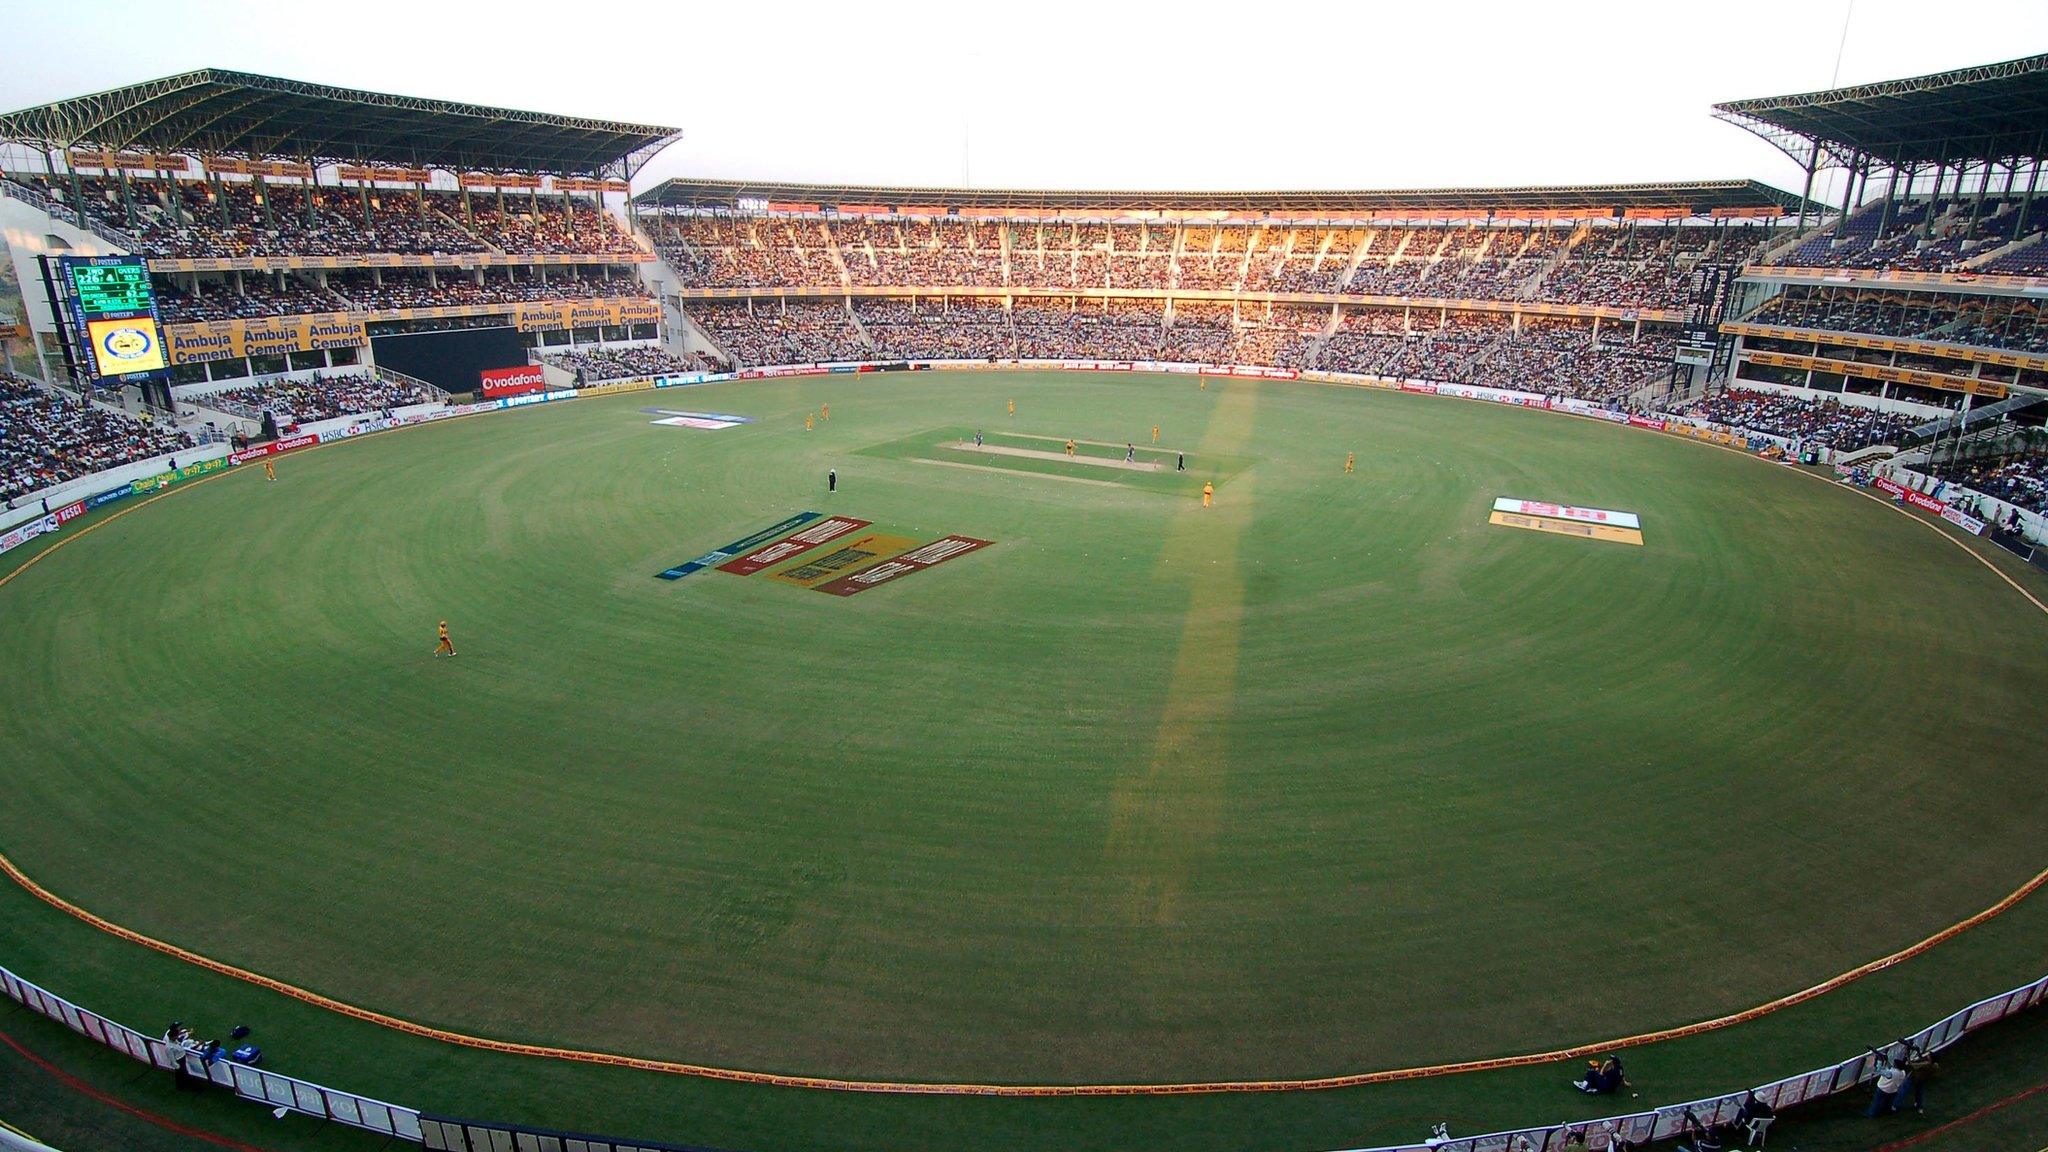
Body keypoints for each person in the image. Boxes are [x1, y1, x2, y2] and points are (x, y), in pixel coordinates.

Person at [1867, 1052, 1910, 1116]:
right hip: (1893, 1090)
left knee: (1876, 1102)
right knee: (1887, 1103)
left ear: (1896, 1066)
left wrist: (1880, 1061)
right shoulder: (1903, 1072)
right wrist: (1886, 1060)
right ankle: (1886, 1112)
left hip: (1883, 1089)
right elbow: (1891, 1068)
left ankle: (1871, 1114)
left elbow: (1879, 1070)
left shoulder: (1891, 1073)